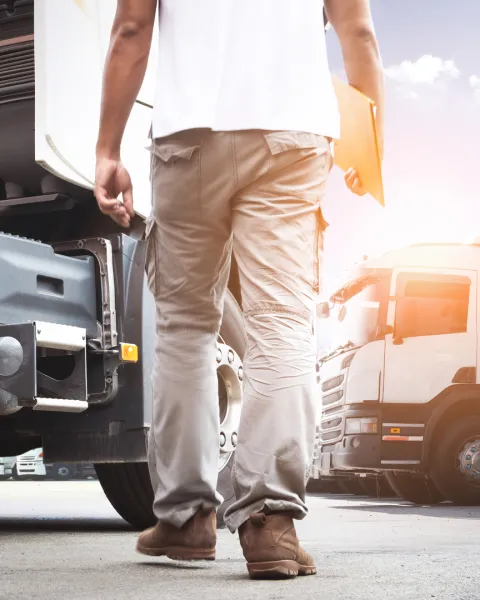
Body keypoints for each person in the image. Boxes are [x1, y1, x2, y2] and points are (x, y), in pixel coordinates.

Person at [94, 0, 384, 580]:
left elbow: (131, 29)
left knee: (184, 329)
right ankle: (271, 522)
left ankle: (184, 519)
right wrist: (371, 143)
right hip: (291, 134)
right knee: (281, 322)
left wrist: (107, 149)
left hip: (189, 134)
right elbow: (357, 32)